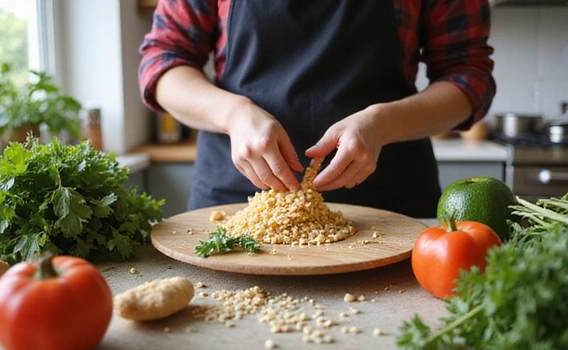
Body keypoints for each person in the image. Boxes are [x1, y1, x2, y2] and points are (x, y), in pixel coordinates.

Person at [138, 0, 496, 218]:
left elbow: (468, 76)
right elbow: (163, 62)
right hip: (235, 202)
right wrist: (233, 115)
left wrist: (382, 123)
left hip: (390, 205)